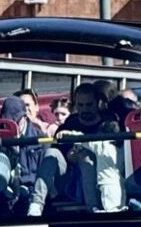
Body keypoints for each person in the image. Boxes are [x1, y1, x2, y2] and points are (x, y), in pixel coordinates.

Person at [27, 84, 123, 216]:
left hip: (98, 180)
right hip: (68, 180)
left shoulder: (107, 124)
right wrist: (68, 154)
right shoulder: (70, 122)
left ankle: (93, 209)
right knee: (51, 153)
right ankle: (35, 206)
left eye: (89, 105)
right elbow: (57, 147)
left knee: (85, 157)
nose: (84, 109)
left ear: (97, 104)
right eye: (80, 105)